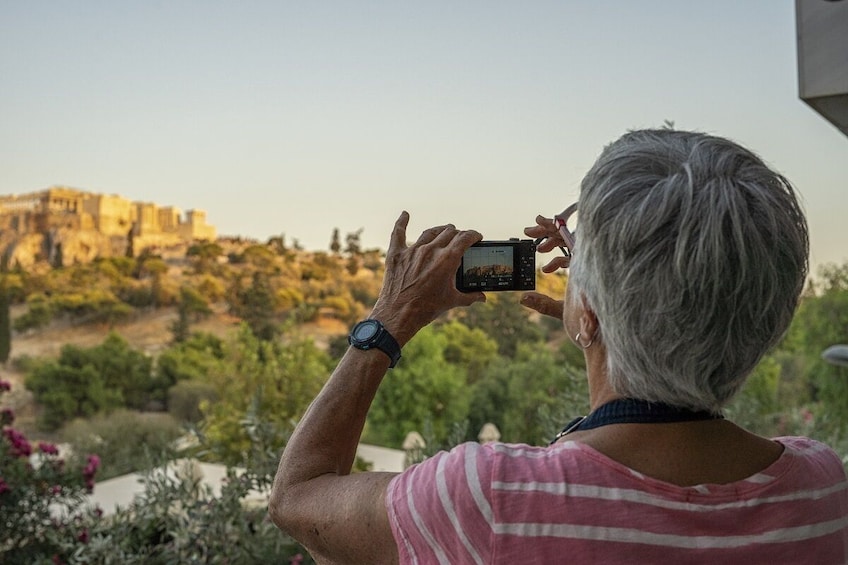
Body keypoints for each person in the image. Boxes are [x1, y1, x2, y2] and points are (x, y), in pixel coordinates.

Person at [269, 129, 848, 563]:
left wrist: (389, 318)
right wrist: (612, 329)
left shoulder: (490, 501)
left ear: (588, 311)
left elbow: (299, 498)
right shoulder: (823, 489)